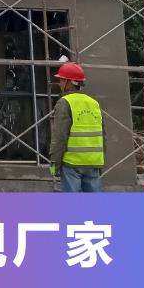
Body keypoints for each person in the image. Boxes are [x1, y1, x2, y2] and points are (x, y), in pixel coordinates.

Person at [49, 61, 105, 192]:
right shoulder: (94, 103)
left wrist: (54, 162)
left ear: (69, 82)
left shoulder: (64, 103)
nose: (60, 83)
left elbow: (59, 136)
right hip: (93, 162)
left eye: (62, 80)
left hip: (72, 163)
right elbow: (103, 135)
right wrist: (101, 162)